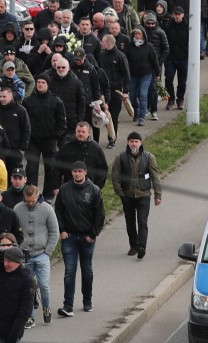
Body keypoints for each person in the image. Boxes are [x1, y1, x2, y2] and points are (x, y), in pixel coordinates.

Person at [55, 162, 105, 317]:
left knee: (87, 270)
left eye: (79, 171)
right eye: (74, 171)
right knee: (69, 271)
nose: (77, 174)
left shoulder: (94, 190)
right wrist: (62, 230)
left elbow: (100, 214)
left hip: (86, 237)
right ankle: (67, 306)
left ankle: (87, 301)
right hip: (69, 237)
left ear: (85, 172)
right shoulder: (64, 189)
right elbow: (58, 212)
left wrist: (93, 234)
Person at [110, 131, 162, 259]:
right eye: (132, 141)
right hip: (127, 195)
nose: (134, 144)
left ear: (141, 143)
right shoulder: (120, 157)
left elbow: (155, 177)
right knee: (130, 222)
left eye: (136, 141)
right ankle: (133, 246)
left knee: (142, 221)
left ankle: (141, 247)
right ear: (128, 142)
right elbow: (115, 176)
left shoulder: (149, 157)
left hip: (143, 194)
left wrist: (158, 194)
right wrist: (119, 192)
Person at [13, 183, 58, 326]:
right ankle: (29, 316)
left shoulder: (47, 209)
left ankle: (46, 307)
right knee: (27, 287)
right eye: (28, 200)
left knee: (44, 285)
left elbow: (54, 231)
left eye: (33, 200)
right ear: (24, 197)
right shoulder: (18, 209)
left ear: (37, 196)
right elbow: (14, 231)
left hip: (42, 253)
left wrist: (48, 251)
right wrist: (18, 249)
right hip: (24, 254)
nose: (31, 203)